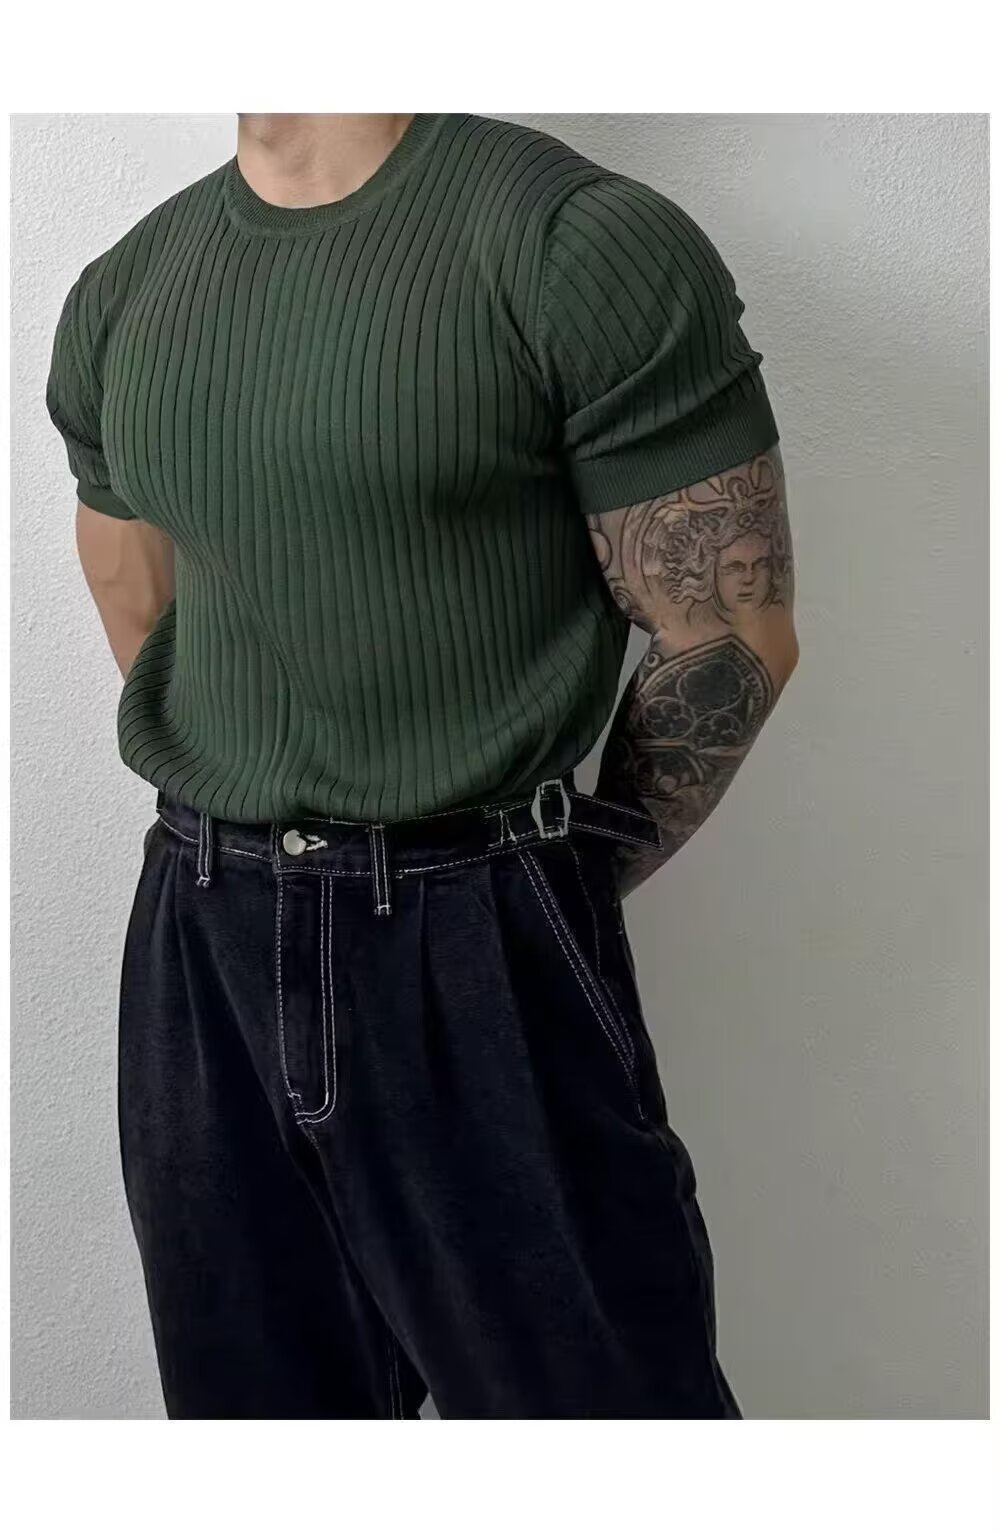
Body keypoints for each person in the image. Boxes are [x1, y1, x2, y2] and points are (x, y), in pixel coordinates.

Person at [45, 112, 798, 1420]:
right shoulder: (125, 288)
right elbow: (137, 595)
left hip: (477, 931)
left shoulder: (579, 247)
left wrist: (539, 890)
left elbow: (731, 635)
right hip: (203, 938)